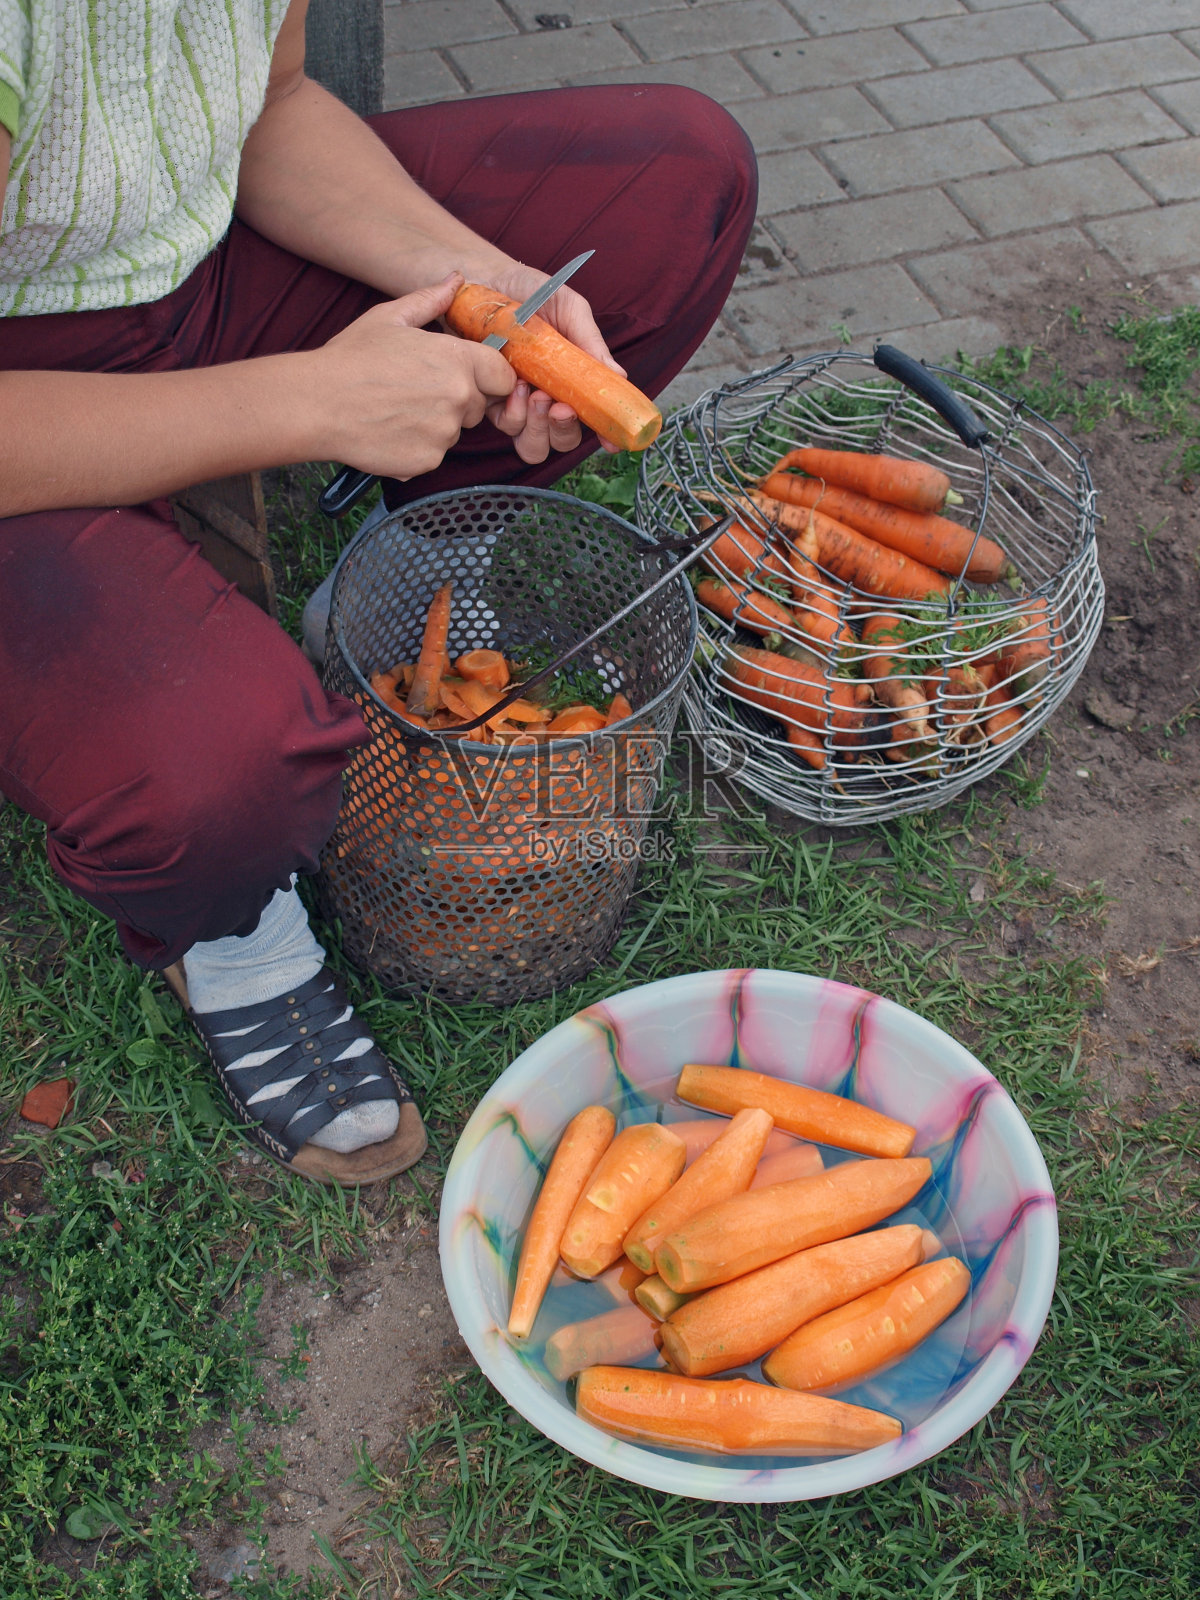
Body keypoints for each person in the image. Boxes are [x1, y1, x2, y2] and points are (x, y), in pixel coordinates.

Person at [0, 0, 757, 1183]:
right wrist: (309, 401)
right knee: (222, 776)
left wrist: (492, 289)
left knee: (676, 179)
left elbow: (276, 109)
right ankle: (235, 936)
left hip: (194, 280)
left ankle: (397, 600)